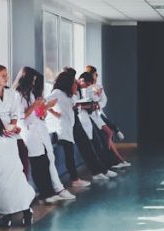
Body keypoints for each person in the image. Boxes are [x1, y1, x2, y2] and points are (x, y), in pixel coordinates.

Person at [12, 67, 75, 204]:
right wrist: (35, 105)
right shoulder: (17, 95)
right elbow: (21, 116)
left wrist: (43, 110)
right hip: (29, 132)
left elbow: (37, 114)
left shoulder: (30, 94)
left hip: (39, 129)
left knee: (45, 161)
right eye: (32, 80)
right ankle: (45, 194)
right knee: (37, 163)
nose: (34, 83)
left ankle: (49, 192)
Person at [47, 69, 90, 188]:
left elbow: (70, 107)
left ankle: (75, 178)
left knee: (70, 153)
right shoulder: (57, 92)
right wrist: (55, 113)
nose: (76, 85)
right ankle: (74, 179)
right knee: (69, 154)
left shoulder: (68, 94)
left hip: (68, 127)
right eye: (74, 83)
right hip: (63, 128)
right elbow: (44, 103)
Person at [73, 71, 116, 181]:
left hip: (88, 119)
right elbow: (74, 106)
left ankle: (102, 170)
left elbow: (98, 101)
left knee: (97, 144)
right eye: (86, 84)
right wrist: (83, 106)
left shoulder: (84, 89)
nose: (86, 86)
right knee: (89, 148)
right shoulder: (71, 91)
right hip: (78, 122)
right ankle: (98, 171)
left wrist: (95, 101)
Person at [85, 65, 130, 168]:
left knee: (109, 135)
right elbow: (90, 101)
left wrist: (98, 103)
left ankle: (118, 160)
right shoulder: (87, 88)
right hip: (92, 116)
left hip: (98, 113)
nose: (96, 76)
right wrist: (97, 98)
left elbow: (104, 100)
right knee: (106, 136)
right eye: (95, 74)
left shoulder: (98, 86)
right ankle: (116, 161)